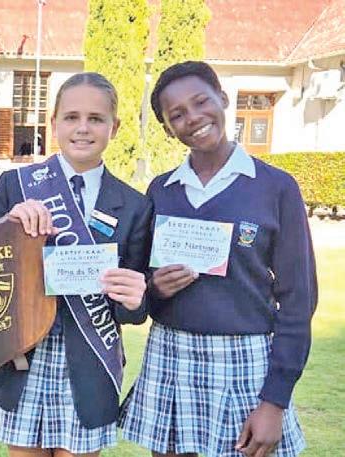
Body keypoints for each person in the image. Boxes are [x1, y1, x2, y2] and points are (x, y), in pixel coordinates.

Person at [119, 61, 316, 457]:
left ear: (223, 99)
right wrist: (155, 288)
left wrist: (274, 401)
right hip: (171, 357)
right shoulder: (161, 191)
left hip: (244, 362)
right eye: (177, 114)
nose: (193, 118)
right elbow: (137, 291)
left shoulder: (275, 188)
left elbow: (298, 300)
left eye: (200, 102)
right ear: (167, 129)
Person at [0, 72, 153, 457]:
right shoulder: (15, 185)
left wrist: (135, 299)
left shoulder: (135, 205)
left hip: (90, 365)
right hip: (24, 360)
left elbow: (136, 308)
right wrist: (9, 224)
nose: (83, 128)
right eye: (72, 117)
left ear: (114, 127)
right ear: (54, 122)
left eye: (96, 118)